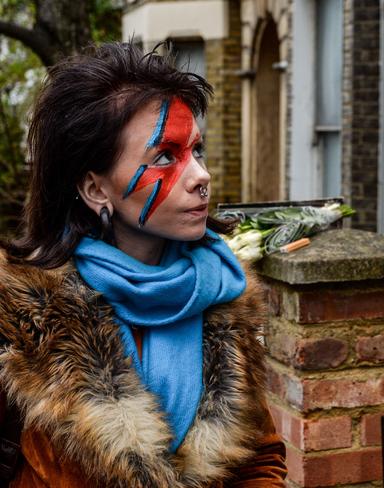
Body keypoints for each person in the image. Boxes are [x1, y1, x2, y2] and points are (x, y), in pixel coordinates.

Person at [0, 42, 287, 487]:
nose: (200, 176)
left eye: (196, 150)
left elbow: (260, 460)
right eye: (166, 157)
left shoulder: (224, 298)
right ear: (96, 189)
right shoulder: (19, 315)